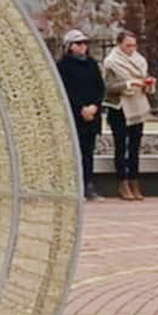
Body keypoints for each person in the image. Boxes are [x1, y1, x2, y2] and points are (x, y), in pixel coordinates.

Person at [102, 30, 153, 201]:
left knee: (134, 147)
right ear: (119, 45)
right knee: (121, 146)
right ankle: (122, 182)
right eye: (128, 45)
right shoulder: (111, 62)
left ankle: (134, 181)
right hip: (120, 108)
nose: (132, 49)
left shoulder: (140, 61)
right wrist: (130, 83)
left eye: (134, 45)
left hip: (138, 107)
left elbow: (145, 83)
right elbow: (109, 87)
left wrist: (147, 84)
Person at [57, 31, 106, 200]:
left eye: (85, 43)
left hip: (91, 116)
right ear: (69, 46)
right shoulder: (63, 66)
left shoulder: (92, 64)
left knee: (88, 152)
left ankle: (88, 184)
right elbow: (64, 91)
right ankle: (73, 185)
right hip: (74, 116)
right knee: (73, 152)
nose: (83, 47)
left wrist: (94, 107)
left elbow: (100, 88)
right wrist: (81, 108)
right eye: (78, 44)